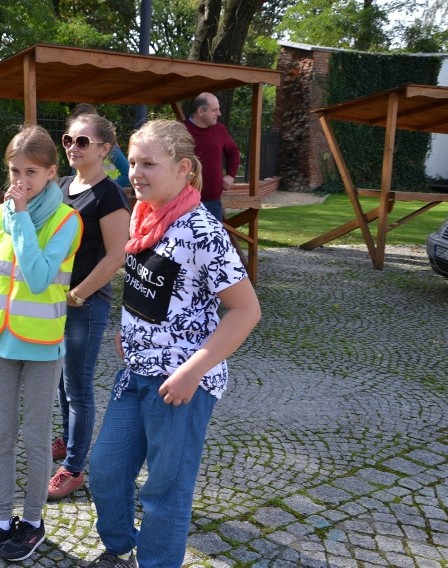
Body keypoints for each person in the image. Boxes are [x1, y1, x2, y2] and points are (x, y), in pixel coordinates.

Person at [88, 119, 260, 568]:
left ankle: (157, 561)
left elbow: (246, 311)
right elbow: (152, 288)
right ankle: (121, 543)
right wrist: (129, 331)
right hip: (137, 372)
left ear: (184, 168)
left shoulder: (203, 232)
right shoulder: (145, 217)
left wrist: (193, 371)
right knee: (106, 469)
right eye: (132, 162)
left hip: (181, 385)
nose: (135, 173)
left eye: (148, 163)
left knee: (165, 488)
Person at [0, 125, 82, 562]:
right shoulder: (0, 216)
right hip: (0, 344)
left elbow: (36, 275)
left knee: (34, 438)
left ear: (52, 172)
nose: (20, 181)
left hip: (42, 346)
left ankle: (31, 522)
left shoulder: (67, 220)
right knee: (0, 436)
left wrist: (22, 217)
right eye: (14, 171)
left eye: (31, 172)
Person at [49, 113, 130, 500]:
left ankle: (74, 467)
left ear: (104, 149)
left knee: (78, 386)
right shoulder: (62, 185)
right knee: (63, 381)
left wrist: (78, 293)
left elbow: (117, 256)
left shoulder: (110, 194)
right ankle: (68, 439)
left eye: (82, 142)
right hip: (56, 300)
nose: (72, 148)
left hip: (86, 301)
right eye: (68, 139)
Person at [184, 92, 241, 221]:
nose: (219, 113)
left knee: (214, 240)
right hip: (183, 200)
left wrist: (231, 174)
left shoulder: (219, 130)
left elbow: (233, 151)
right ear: (200, 111)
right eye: (214, 110)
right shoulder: (181, 130)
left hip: (212, 201)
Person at [69, 103, 130, 188]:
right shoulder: (76, 153)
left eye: (82, 141)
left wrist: (106, 188)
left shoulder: (112, 149)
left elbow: (128, 173)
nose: (73, 147)